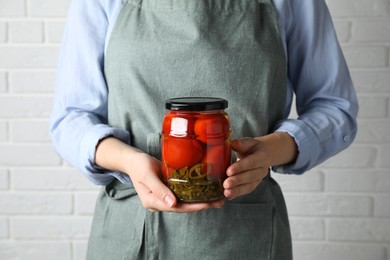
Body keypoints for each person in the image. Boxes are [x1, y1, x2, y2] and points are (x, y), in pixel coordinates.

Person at [50, 0, 358, 259]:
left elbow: (335, 108)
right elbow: (72, 118)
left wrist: (270, 150)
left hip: (246, 237)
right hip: (130, 232)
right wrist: (130, 162)